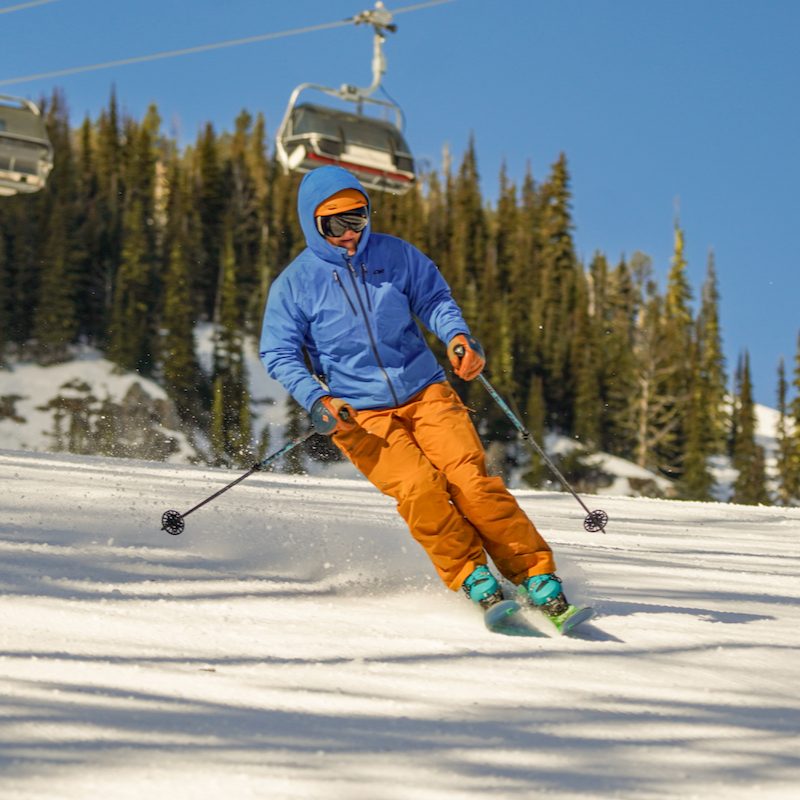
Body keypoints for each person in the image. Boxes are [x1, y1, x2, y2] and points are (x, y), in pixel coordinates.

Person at [260, 165, 572, 619]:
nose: (349, 233)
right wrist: (317, 398)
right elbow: (279, 352)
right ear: (313, 222)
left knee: (471, 483)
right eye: (335, 223)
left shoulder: (396, 255)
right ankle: (471, 573)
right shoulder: (295, 283)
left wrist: (457, 338)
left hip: (425, 390)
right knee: (419, 489)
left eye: (358, 219)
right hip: (360, 414)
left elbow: (434, 300)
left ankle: (534, 574)